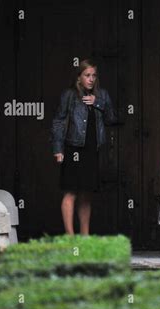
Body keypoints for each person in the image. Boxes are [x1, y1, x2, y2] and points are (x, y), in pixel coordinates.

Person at [51, 59, 116, 235]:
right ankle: (70, 236)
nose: (91, 79)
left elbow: (112, 119)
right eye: (87, 75)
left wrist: (97, 103)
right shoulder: (70, 95)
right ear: (79, 77)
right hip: (73, 149)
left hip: (92, 150)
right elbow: (58, 121)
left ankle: (84, 236)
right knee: (71, 192)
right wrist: (58, 149)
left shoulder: (102, 95)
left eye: (94, 75)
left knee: (87, 194)